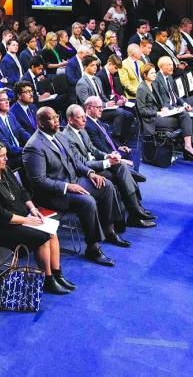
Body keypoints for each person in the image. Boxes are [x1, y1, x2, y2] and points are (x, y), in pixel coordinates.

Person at [21, 106, 127, 267]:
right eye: (51, 119)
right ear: (40, 123)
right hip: (53, 194)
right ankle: (93, 248)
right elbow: (39, 181)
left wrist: (90, 173)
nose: (56, 121)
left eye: (57, 117)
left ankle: (110, 231)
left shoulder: (60, 136)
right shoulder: (33, 147)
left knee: (106, 185)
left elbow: (75, 162)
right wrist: (67, 186)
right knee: (88, 201)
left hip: (74, 181)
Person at [0, 140, 72, 295]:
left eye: (6, 155)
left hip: (20, 217)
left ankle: (58, 274)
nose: (6, 159)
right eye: (2, 156)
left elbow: (22, 191)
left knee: (53, 231)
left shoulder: (5, 170)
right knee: (43, 237)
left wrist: (32, 209)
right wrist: (28, 221)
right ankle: (48, 279)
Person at [61, 104, 155, 227]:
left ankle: (135, 211)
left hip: (94, 163)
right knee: (120, 171)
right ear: (70, 119)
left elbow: (93, 149)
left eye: (84, 116)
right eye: (80, 117)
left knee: (120, 167)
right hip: (84, 171)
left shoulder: (81, 128)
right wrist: (107, 162)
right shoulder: (66, 137)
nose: (85, 120)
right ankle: (135, 212)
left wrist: (107, 156)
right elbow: (81, 163)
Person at [136, 63, 193, 161]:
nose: (155, 75)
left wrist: (163, 108)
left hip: (161, 114)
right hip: (152, 120)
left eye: (155, 72)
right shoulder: (141, 89)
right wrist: (157, 113)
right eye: (152, 73)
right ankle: (187, 148)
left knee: (184, 114)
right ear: (145, 75)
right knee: (184, 120)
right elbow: (141, 111)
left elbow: (160, 101)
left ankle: (188, 146)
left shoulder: (153, 84)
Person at [0, 89, 30, 169]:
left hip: (17, 152)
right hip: (6, 160)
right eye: (2, 100)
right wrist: (29, 149)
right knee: (33, 156)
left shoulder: (9, 114)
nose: (7, 102)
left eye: (7, 99)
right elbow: (8, 149)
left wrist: (33, 142)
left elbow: (21, 131)